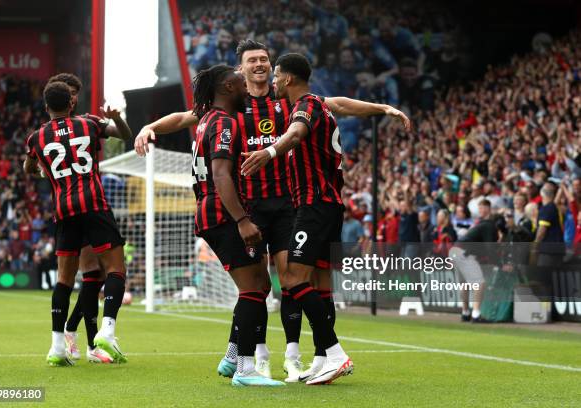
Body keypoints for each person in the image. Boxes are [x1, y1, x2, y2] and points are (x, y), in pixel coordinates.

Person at [134, 39, 410, 382]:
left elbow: (337, 104)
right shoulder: (232, 104)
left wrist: (381, 108)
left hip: (287, 206)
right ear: (241, 68)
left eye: (265, 59)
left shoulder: (287, 102)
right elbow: (185, 116)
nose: (261, 65)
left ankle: (293, 354)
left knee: (288, 278)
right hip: (247, 206)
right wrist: (150, 127)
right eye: (253, 60)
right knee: (256, 285)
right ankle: (255, 356)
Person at [241, 53, 363, 384]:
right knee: (321, 287)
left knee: (293, 280)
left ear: (289, 79)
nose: (274, 81)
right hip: (329, 205)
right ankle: (323, 358)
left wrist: (268, 153)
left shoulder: (305, 105)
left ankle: (335, 352)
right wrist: (383, 109)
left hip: (313, 207)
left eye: (277, 76)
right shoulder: (321, 105)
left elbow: (295, 134)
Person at [186, 64, 283, 387]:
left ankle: (231, 357)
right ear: (227, 88)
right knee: (253, 289)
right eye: (241, 83)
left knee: (260, 285)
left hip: (212, 211)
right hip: (223, 214)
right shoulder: (225, 122)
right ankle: (244, 369)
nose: (247, 88)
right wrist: (242, 220)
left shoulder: (206, 121)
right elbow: (221, 175)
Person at [24, 81, 128, 366]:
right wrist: (116, 117)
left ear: (46, 106)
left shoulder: (37, 138)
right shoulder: (90, 123)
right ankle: (107, 331)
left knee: (64, 280)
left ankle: (58, 346)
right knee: (116, 269)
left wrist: (36, 168)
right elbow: (124, 135)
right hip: (93, 204)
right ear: (71, 103)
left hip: (64, 210)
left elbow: (29, 166)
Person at [449, 199, 498, 323]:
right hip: (464, 253)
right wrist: (499, 263)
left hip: (455, 250)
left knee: (464, 284)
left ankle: (465, 313)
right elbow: (490, 248)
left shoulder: (478, 224)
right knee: (479, 283)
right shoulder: (489, 225)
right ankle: (476, 314)